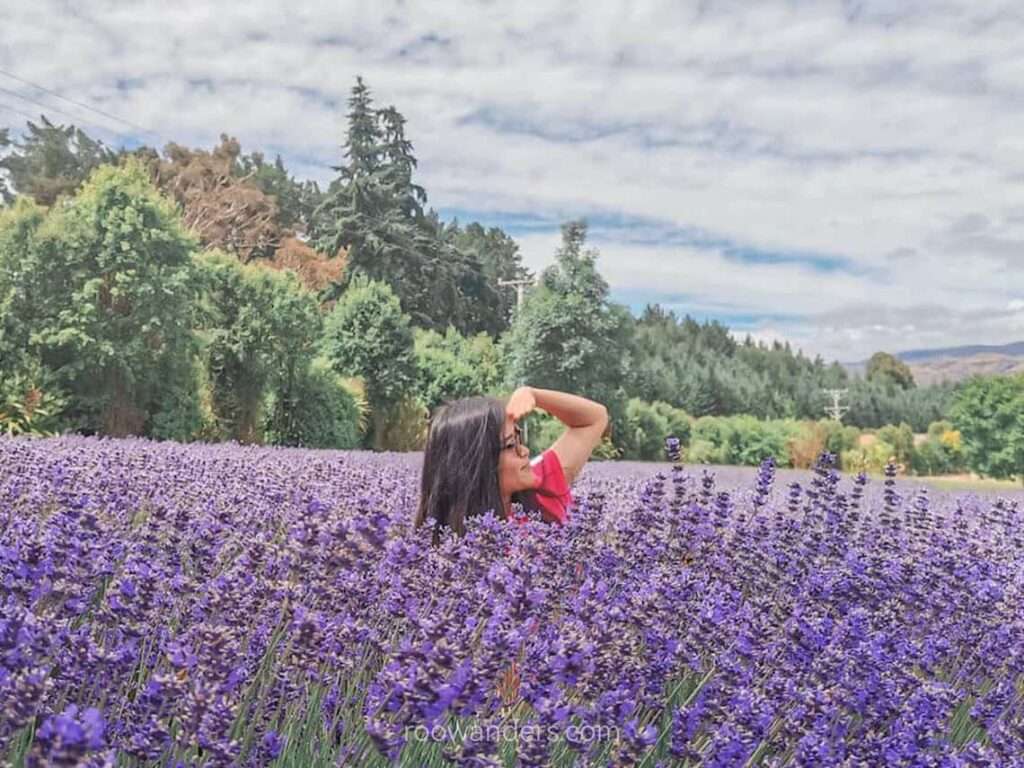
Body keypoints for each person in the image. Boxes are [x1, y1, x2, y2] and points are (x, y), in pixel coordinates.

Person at [415, 386, 609, 543]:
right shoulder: (452, 550)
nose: (524, 451)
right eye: (510, 445)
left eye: (519, 438)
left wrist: (534, 394)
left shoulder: (541, 492)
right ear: (475, 465)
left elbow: (594, 419)